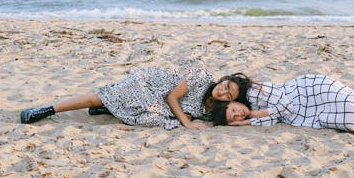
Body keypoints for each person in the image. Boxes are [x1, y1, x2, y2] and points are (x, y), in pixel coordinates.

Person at [20, 67, 252, 129]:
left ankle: (109, 111)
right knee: (99, 98)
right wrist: (187, 122)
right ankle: (47, 109)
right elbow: (172, 98)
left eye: (228, 94)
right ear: (223, 79)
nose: (222, 91)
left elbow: (245, 118)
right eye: (225, 85)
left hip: (157, 106)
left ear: (230, 101)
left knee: (156, 118)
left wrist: (247, 117)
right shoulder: (202, 76)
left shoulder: (212, 110)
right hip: (151, 85)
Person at [212, 74, 354, 137]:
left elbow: (285, 106)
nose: (238, 114)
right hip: (306, 111)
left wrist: (255, 114)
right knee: (338, 119)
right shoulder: (250, 113)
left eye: (233, 110)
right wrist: (245, 123)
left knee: (345, 101)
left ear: (234, 100)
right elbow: (274, 117)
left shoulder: (258, 90)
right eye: (234, 118)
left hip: (306, 90)